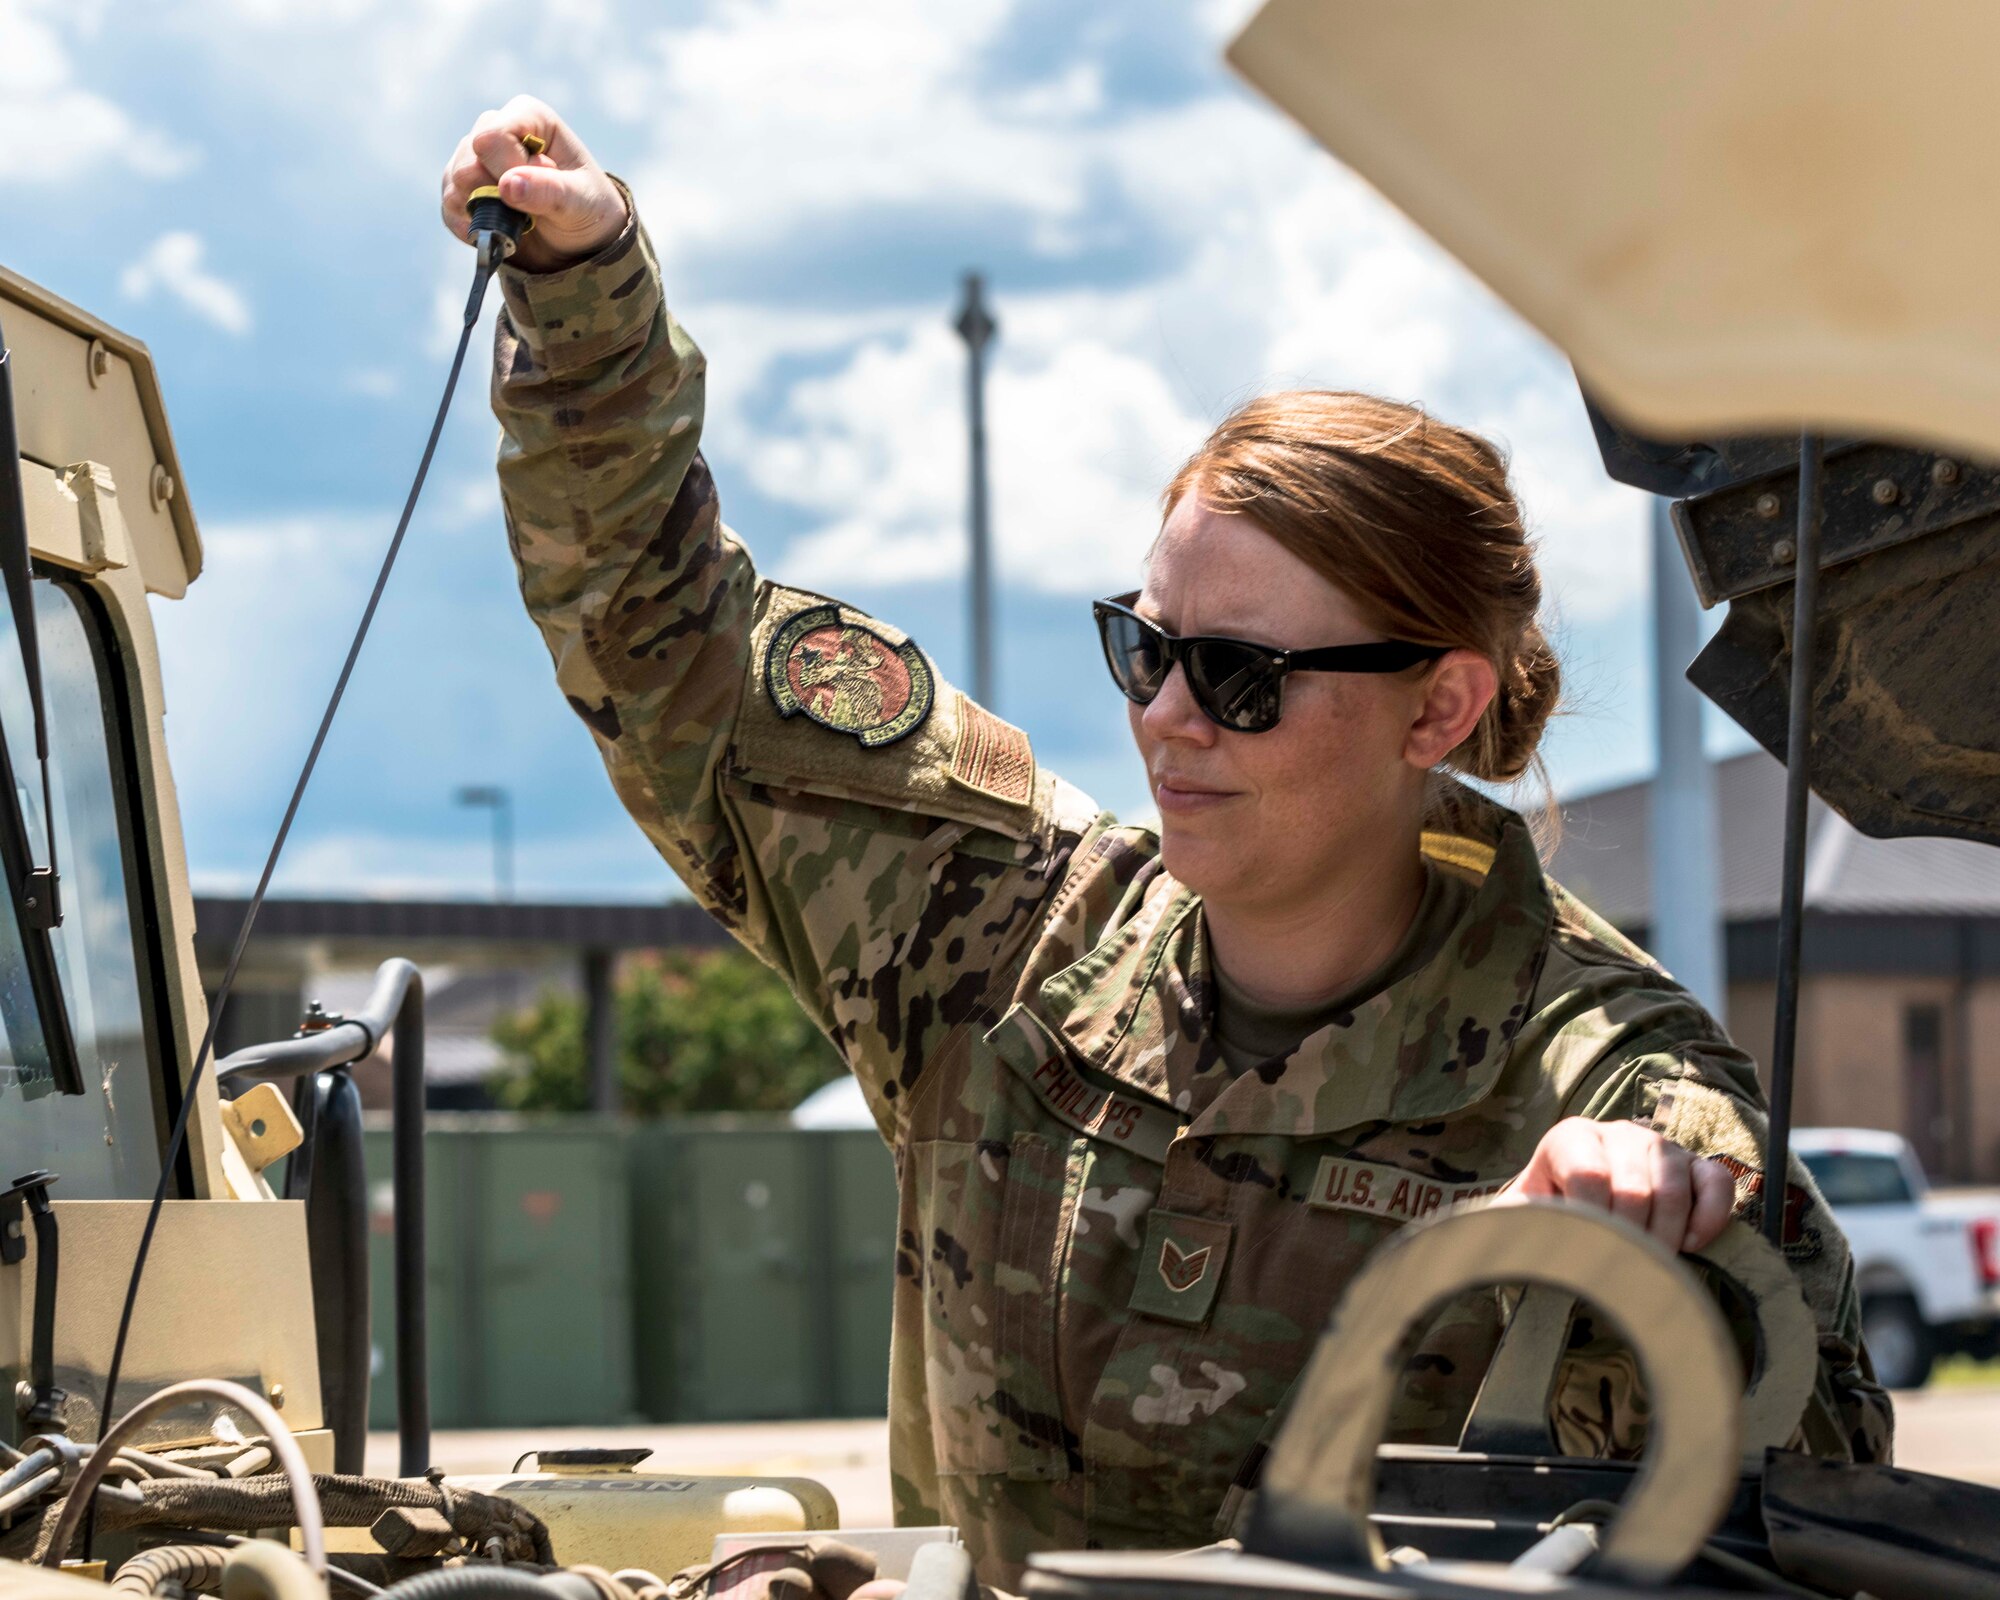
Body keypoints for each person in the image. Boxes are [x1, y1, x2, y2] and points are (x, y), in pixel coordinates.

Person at [444, 98, 1891, 1591]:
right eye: (1149, 648)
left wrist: (1658, 1201)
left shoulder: (1576, 1064)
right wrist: (590, 294)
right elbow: (671, 650)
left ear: (1439, 709)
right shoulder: (992, 939)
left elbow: (1800, 1428)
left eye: (1247, 678)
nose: (1173, 720)